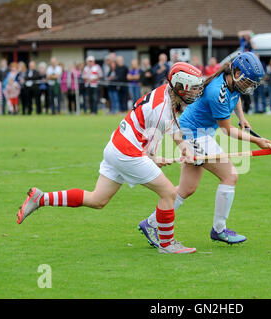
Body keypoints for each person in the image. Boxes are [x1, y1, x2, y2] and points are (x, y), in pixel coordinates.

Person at [17, 62, 205, 255]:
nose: (197, 92)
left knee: (97, 199)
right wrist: (154, 158)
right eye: (194, 88)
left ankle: (41, 198)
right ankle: (167, 244)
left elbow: (172, 128)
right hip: (127, 152)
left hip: (116, 146)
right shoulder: (161, 110)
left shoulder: (166, 93)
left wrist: (186, 150)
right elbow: (154, 137)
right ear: (181, 86)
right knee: (169, 193)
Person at [139, 52, 271, 247]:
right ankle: (219, 229)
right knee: (230, 176)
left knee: (187, 189)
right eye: (248, 82)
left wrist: (241, 117)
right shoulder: (217, 92)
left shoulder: (231, 81)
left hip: (198, 133)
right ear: (236, 72)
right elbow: (227, 130)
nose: (249, 87)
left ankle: (151, 223)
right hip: (194, 134)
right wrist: (256, 141)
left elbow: (237, 97)